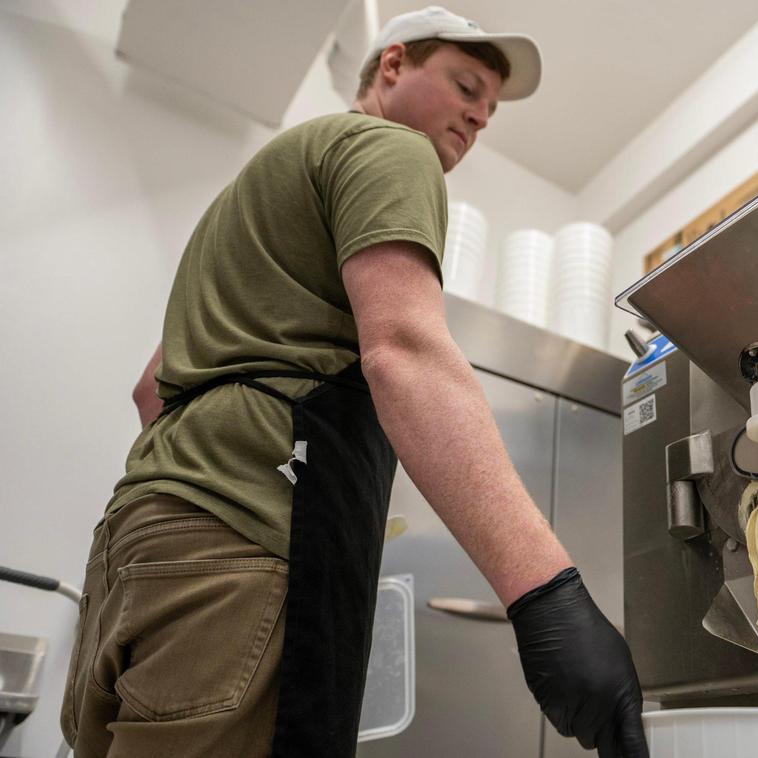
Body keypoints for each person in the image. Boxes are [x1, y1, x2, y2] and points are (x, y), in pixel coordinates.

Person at [62, 6, 649, 757]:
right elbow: (403, 351)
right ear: (393, 65)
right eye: (467, 85)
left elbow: (152, 391)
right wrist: (547, 596)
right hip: (247, 546)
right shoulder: (391, 150)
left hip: (135, 545)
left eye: (491, 109)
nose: (479, 115)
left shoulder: (250, 198)